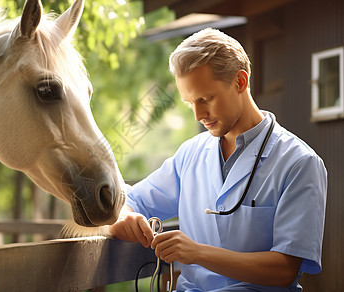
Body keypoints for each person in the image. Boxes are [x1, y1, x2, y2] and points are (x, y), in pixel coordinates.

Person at [109, 28, 327, 291]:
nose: (198, 114)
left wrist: (197, 253)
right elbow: (131, 200)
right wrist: (126, 216)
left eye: (206, 99)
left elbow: (284, 269)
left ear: (240, 82)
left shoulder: (299, 163)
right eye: (190, 103)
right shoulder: (190, 154)